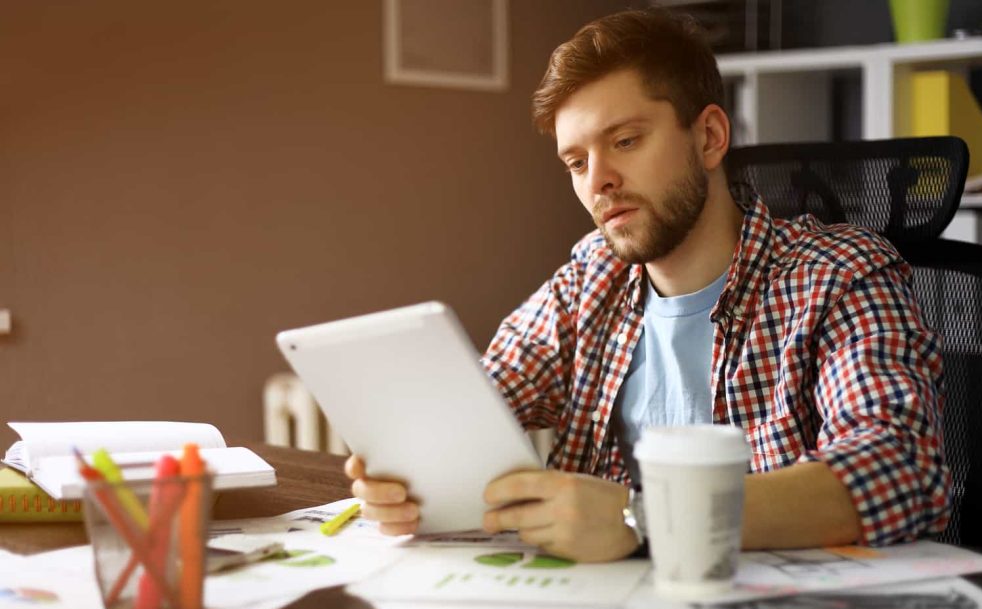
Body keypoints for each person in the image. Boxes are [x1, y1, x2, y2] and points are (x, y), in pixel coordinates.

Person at [345, 8, 950, 562]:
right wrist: (403, 473)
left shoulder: (838, 274)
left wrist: (645, 518)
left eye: (625, 141)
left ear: (710, 137)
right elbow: (478, 403)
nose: (599, 181)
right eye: (577, 163)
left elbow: (898, 469)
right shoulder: (591, 278)